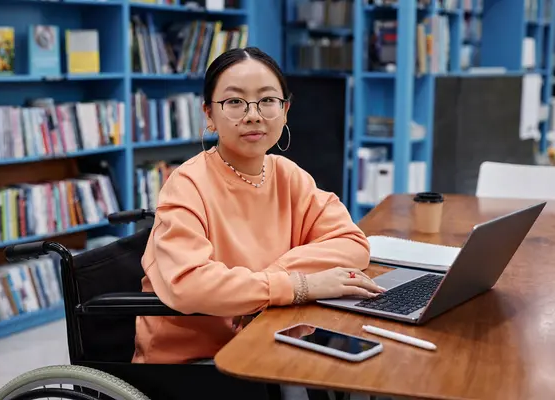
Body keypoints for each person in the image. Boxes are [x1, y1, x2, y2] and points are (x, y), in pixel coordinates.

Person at [132, 46, 384, 386]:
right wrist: (298, 286)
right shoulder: (187, 183)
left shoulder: (286, 173)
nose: (253, 115)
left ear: (285, 110)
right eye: (235, 102)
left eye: (267, 101)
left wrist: (271, 282)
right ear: (209, 114)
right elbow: (190, 285)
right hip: (194, 366)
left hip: (268, 343)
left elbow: (353, 243)